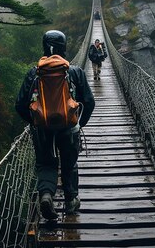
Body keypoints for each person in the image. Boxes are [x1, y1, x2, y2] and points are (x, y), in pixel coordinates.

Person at [15, 30, 95, 220]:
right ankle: (71, 201)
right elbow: (89, 102)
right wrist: (78, 123)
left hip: (42, 129)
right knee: (69, 163)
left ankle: (46, 195)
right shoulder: (75, 72)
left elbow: (19, 105)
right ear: (64, 47)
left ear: (44, 47)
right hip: (69, 129)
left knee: (45, 164)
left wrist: (36, 121)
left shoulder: (34, 73)